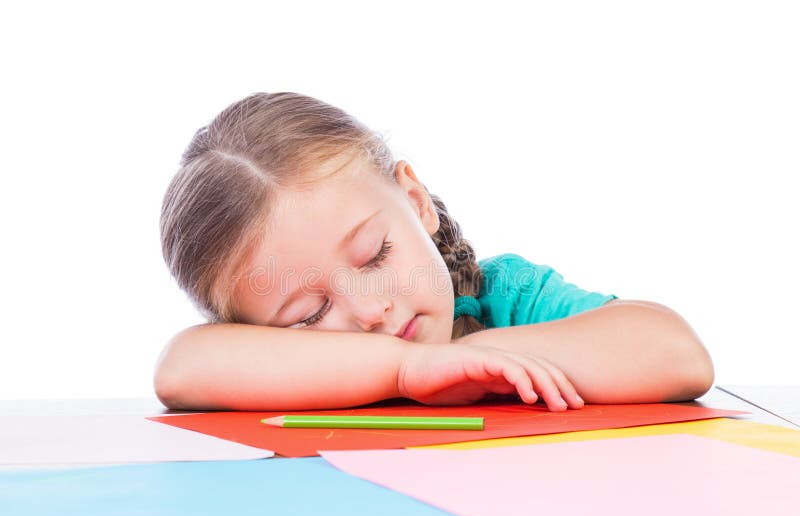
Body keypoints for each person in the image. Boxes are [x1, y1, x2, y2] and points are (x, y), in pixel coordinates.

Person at [156, 92, 714, 412]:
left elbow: (677, 355)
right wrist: (408, 369)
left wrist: (472, 357)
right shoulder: (270, 367)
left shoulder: (505, 297)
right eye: (310, 315)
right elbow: (180, 370)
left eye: (375, 255)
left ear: (416, 200)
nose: (372, 311)